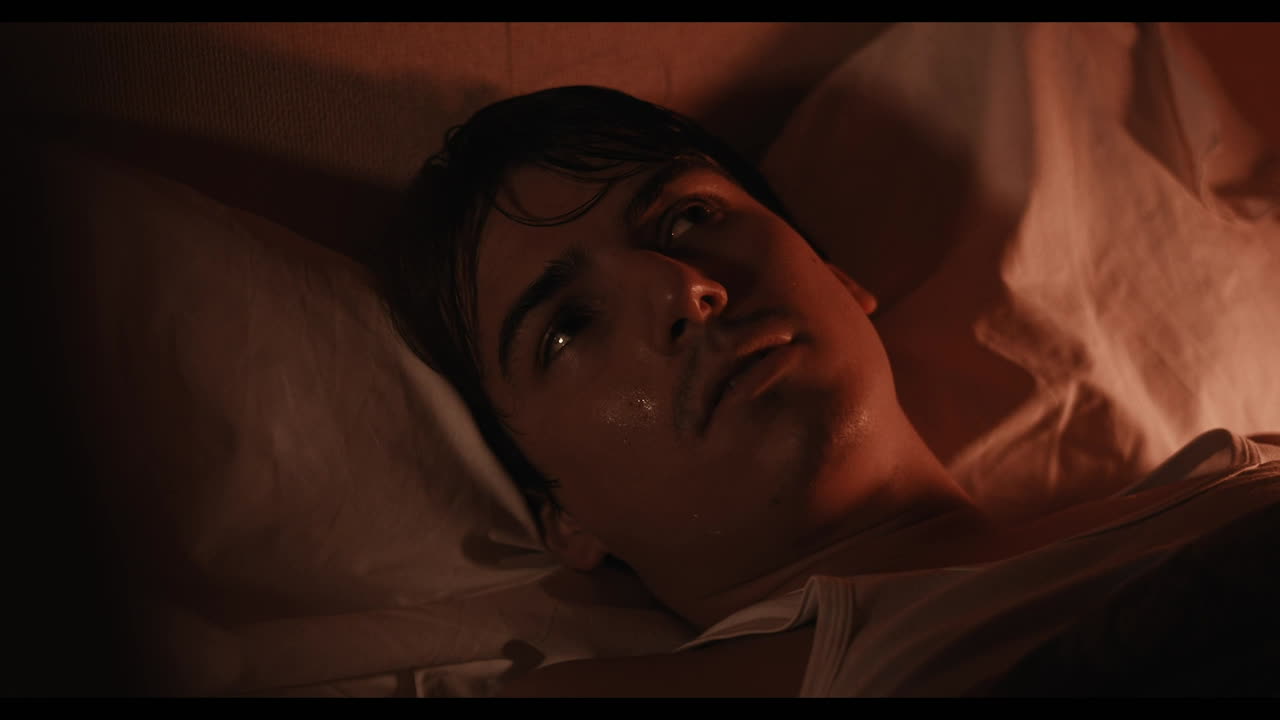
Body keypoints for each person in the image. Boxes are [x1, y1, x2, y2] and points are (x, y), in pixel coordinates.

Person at [373, 85, 1280, 697]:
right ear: (563, 519)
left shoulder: (1233, 471)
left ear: (840, 278)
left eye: (689, 217)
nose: (682, 288)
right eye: (568, 327)